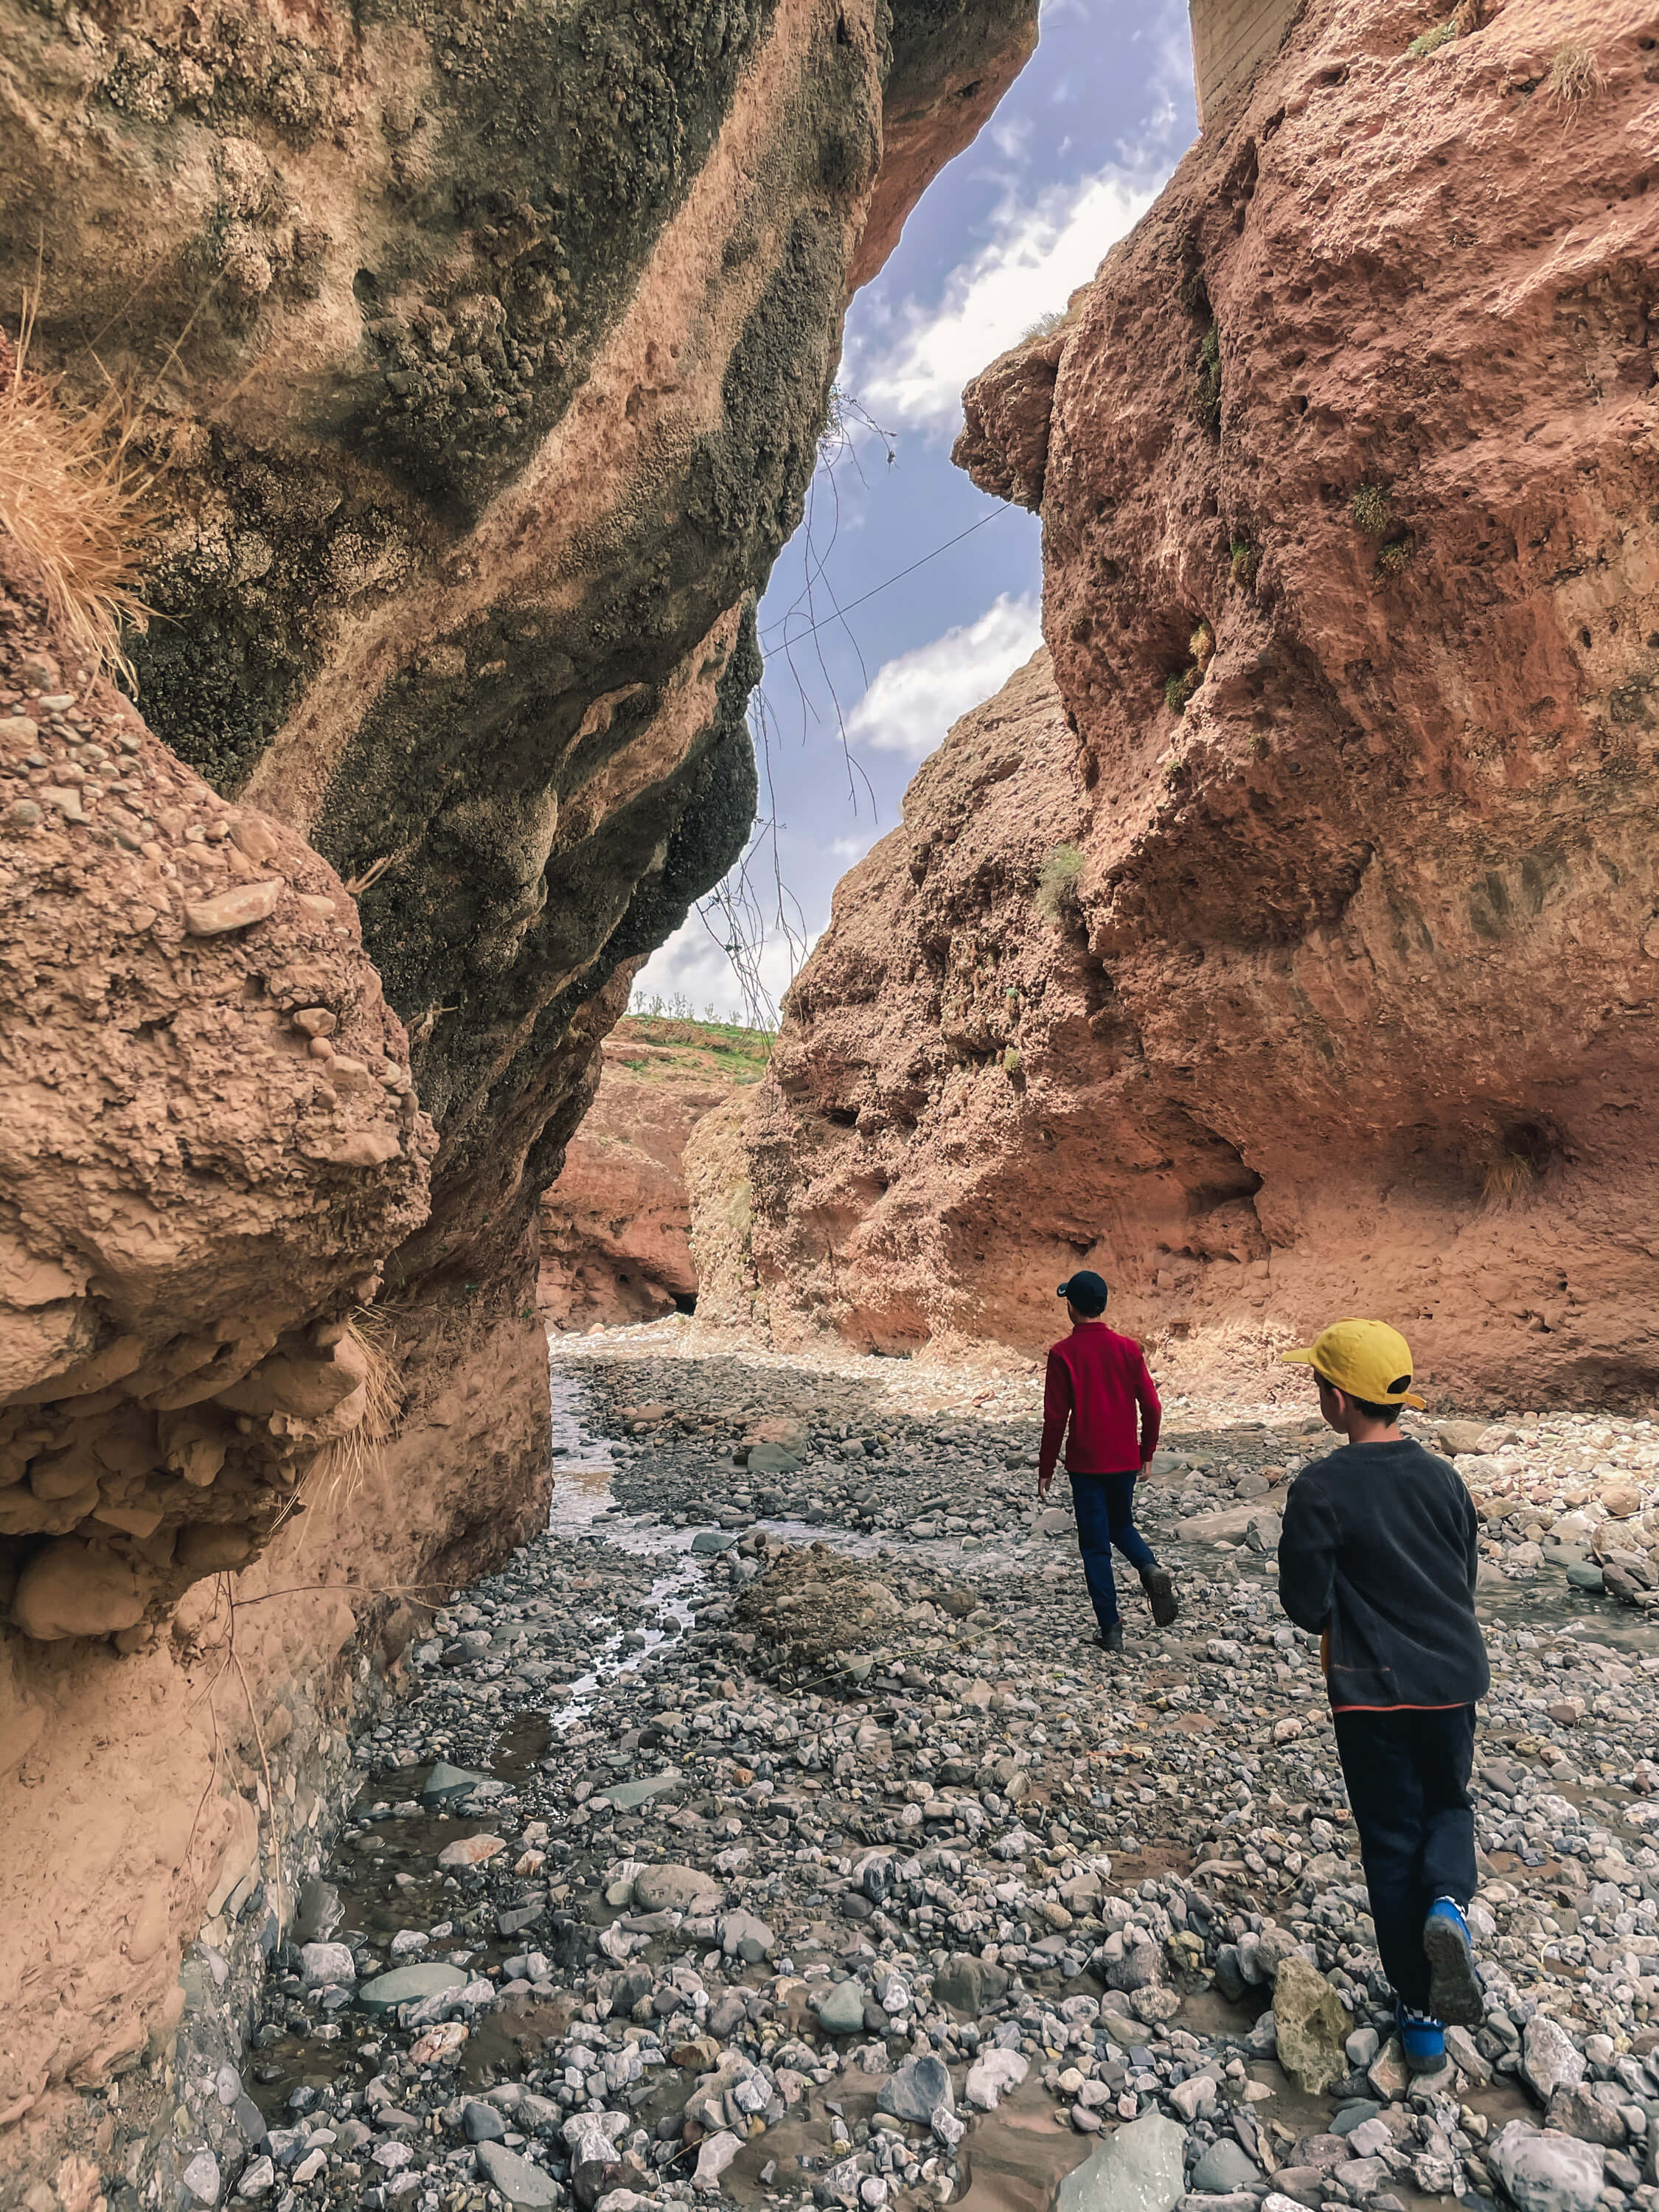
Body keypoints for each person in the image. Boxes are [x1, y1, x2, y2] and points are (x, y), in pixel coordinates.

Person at [1277, 1318, 1489, 2073]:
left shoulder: (1321, 1487)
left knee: (1392, 1841)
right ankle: (1451, 1907)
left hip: (1370, 1694)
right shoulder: (1444, 1478)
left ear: (1337, 1400)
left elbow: (1304, 1606)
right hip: (1453, 1679)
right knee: (1450, 1805)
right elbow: (1462, 1576)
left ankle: (1422, 2019)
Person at [1037, 1270, 1177, 1652]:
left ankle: (1111, 1629)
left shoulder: (1062, 1353)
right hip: (1123, 1460)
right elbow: (1152, 1405)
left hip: (1085, 1464)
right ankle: (1148, 1566)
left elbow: (1055, 1417)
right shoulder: (1129, 1349)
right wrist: (1146, 1453)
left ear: (1071, 1307)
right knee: (1121, 1524)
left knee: (1095, 1545)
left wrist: (1046, 1467)